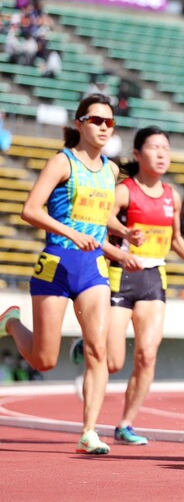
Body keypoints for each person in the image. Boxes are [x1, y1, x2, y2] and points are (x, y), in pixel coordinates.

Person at [0, 94, 143, 454]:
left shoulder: (111, 171)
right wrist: (69, 233)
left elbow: (99, 220)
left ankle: (89, 431)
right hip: (56, 263)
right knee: (45, 360)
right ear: (79, 123)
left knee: (98, 351)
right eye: (97, 120)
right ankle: (12, 323)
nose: (104, 128)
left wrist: (120, 242)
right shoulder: (61, 163)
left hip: (92, 268)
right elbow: (30, 210)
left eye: (110, 122)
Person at [72, 126, 184, 445]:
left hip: (153, 278)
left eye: (166, 148)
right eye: (154, 148)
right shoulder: (124, 191)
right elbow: (101, 222)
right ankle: (87, 343)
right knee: (114, 361)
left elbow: (175, 238)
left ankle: (125, 423)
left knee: (147, 354)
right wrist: (125, 232)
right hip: (121, 274)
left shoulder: (172, 195)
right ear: (137, 154)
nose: (162, 154)